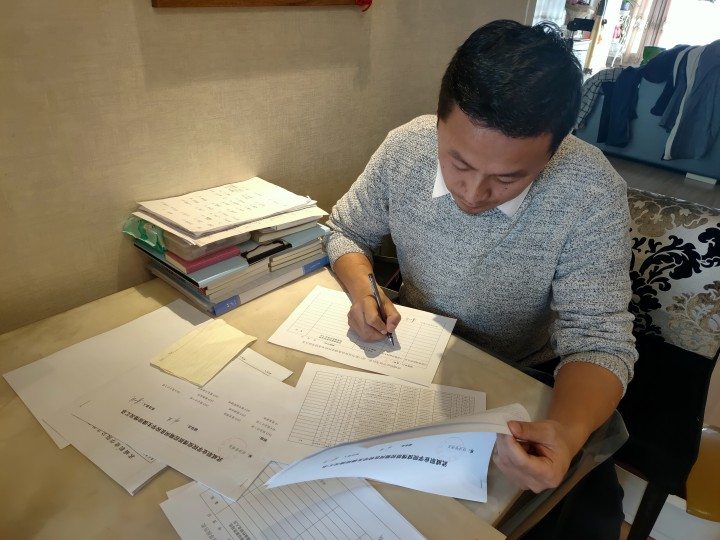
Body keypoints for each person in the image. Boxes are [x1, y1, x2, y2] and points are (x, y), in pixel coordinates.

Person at [324, 19, 637, 539]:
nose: (472, 193)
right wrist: (364, 291)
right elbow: (346, 230)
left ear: (554, 150)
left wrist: (565, 432)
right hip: (412, 352)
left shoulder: (590, 191)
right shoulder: (406, 148)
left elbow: (600, 341)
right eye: (458, 162)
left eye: (508, 177)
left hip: (521, 374)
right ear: (440, 122)